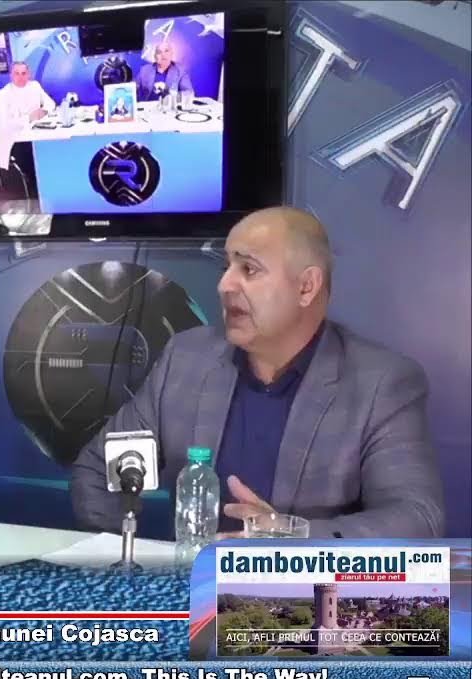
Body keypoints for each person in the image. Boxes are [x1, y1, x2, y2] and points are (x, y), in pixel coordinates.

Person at [70, 207, 444, 539]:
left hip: (302, 594)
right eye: (226, 268)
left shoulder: (381, 383)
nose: (224, 285)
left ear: (306, 287)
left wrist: (291, 538)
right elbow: (96, 471)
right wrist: (130, 559)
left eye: (248, 269)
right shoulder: (186, 359)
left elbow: (418, 518)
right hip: (193, 584)